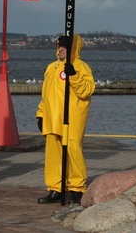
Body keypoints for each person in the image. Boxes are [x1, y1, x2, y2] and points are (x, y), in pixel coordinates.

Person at [36, 33, 95, 204]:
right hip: (52, 119)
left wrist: (74, 75)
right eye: (59, 46)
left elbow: (86, 91)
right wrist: (40, 114)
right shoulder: (52, 68)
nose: (60, 49)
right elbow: (46, 95)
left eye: (64, 46)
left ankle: (77, 189)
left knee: (73, 151)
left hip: (73, 118)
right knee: (53, 155)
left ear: (73, 48)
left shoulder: (81, 67)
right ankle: (56, 188)